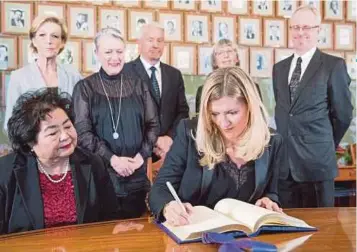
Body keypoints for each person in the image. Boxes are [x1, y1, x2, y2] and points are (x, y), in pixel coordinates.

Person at [149, 67, 283, 225]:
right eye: (214, 114)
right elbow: (159, 190)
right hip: (194, 233)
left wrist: (269, 200)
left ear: (251, 108)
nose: (223, 123)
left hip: (246, 237)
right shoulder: (190, 133)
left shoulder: (272, 141)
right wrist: (168, 207)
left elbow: (273, 192)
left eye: (232, 113)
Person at [0, 89, 118, 234]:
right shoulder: (6, 172)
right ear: (30, 141)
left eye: (68, 126)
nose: (65, 136)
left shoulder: (93, 163)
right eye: (53, 132)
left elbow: (110, 219)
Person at [72, 28, 159, 218]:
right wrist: (113, 159)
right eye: (108, 52)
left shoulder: (139, 85)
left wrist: (139, 157)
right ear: (96, 53)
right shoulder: (84, 88)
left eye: (119, 52)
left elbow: (153, 125)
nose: (115, 58)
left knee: (138, 236)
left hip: (136, 174)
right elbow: (83, 133)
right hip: (102, 176)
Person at [273, 5, 353, 208]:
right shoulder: (279, 69)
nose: (301, 33)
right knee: (286, 231)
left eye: (307, 27)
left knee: (321, 232)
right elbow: (285, 113)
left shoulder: (333, 66)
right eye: (296, 27)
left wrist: (324, 142)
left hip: (317, 166)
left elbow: (343, 115)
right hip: (284, 169)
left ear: (318, 31)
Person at [4, 15, 82, 132]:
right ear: (34, 41)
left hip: (69, 143)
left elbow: (82, 117)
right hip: (32, 146)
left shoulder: (74, 75)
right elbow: (10, 124)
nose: (49, 41)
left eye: (55, 36)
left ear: (62, 42)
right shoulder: (18, 77)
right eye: (42, 35)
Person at [123, 23, 189, 161]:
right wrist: (155, 140)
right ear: (139, 43)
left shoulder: (174, 74)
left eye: (160, 40)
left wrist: (169, 138)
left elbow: (182, 112)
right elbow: (125, 117)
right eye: (150, 40)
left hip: (170, 151)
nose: (155, 45)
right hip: (136, 154)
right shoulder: (125, 73)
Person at [195, 39, 262, 113]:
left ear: (236, 58)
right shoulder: (204, 90)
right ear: (215, 61)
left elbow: (259, 116)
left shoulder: (252, 87)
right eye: (220, 53)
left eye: (229, 51)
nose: (226, 56)